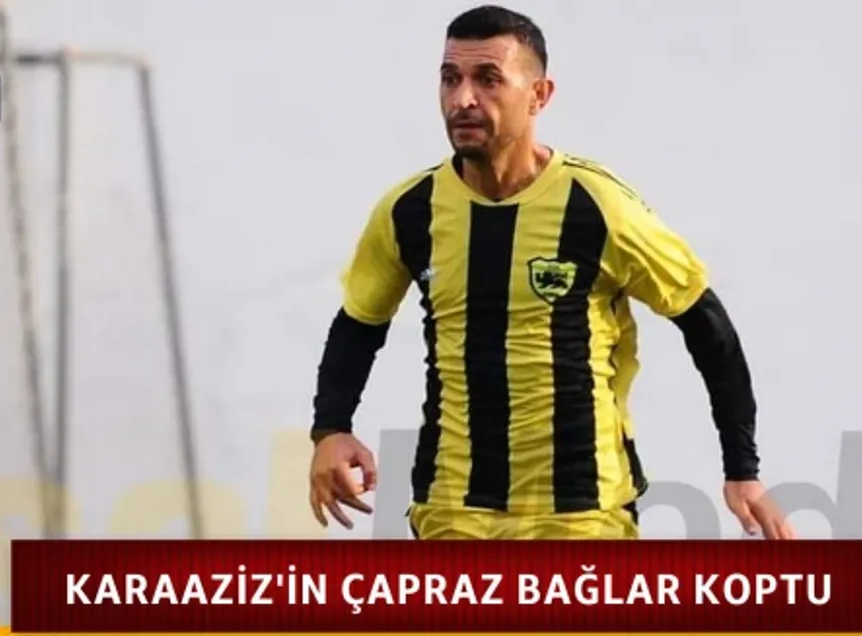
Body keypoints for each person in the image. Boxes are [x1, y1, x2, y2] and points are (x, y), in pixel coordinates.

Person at [308, 4, 794, 541]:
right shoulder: (409, 210)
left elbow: (707, 326)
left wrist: (742, 468)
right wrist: (330, 428)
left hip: (582, 512)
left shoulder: (598, 205)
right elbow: (359, 324)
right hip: (451, 507)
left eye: (488, 79)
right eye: (450, 78)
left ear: (539, 95)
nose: (463, 98)